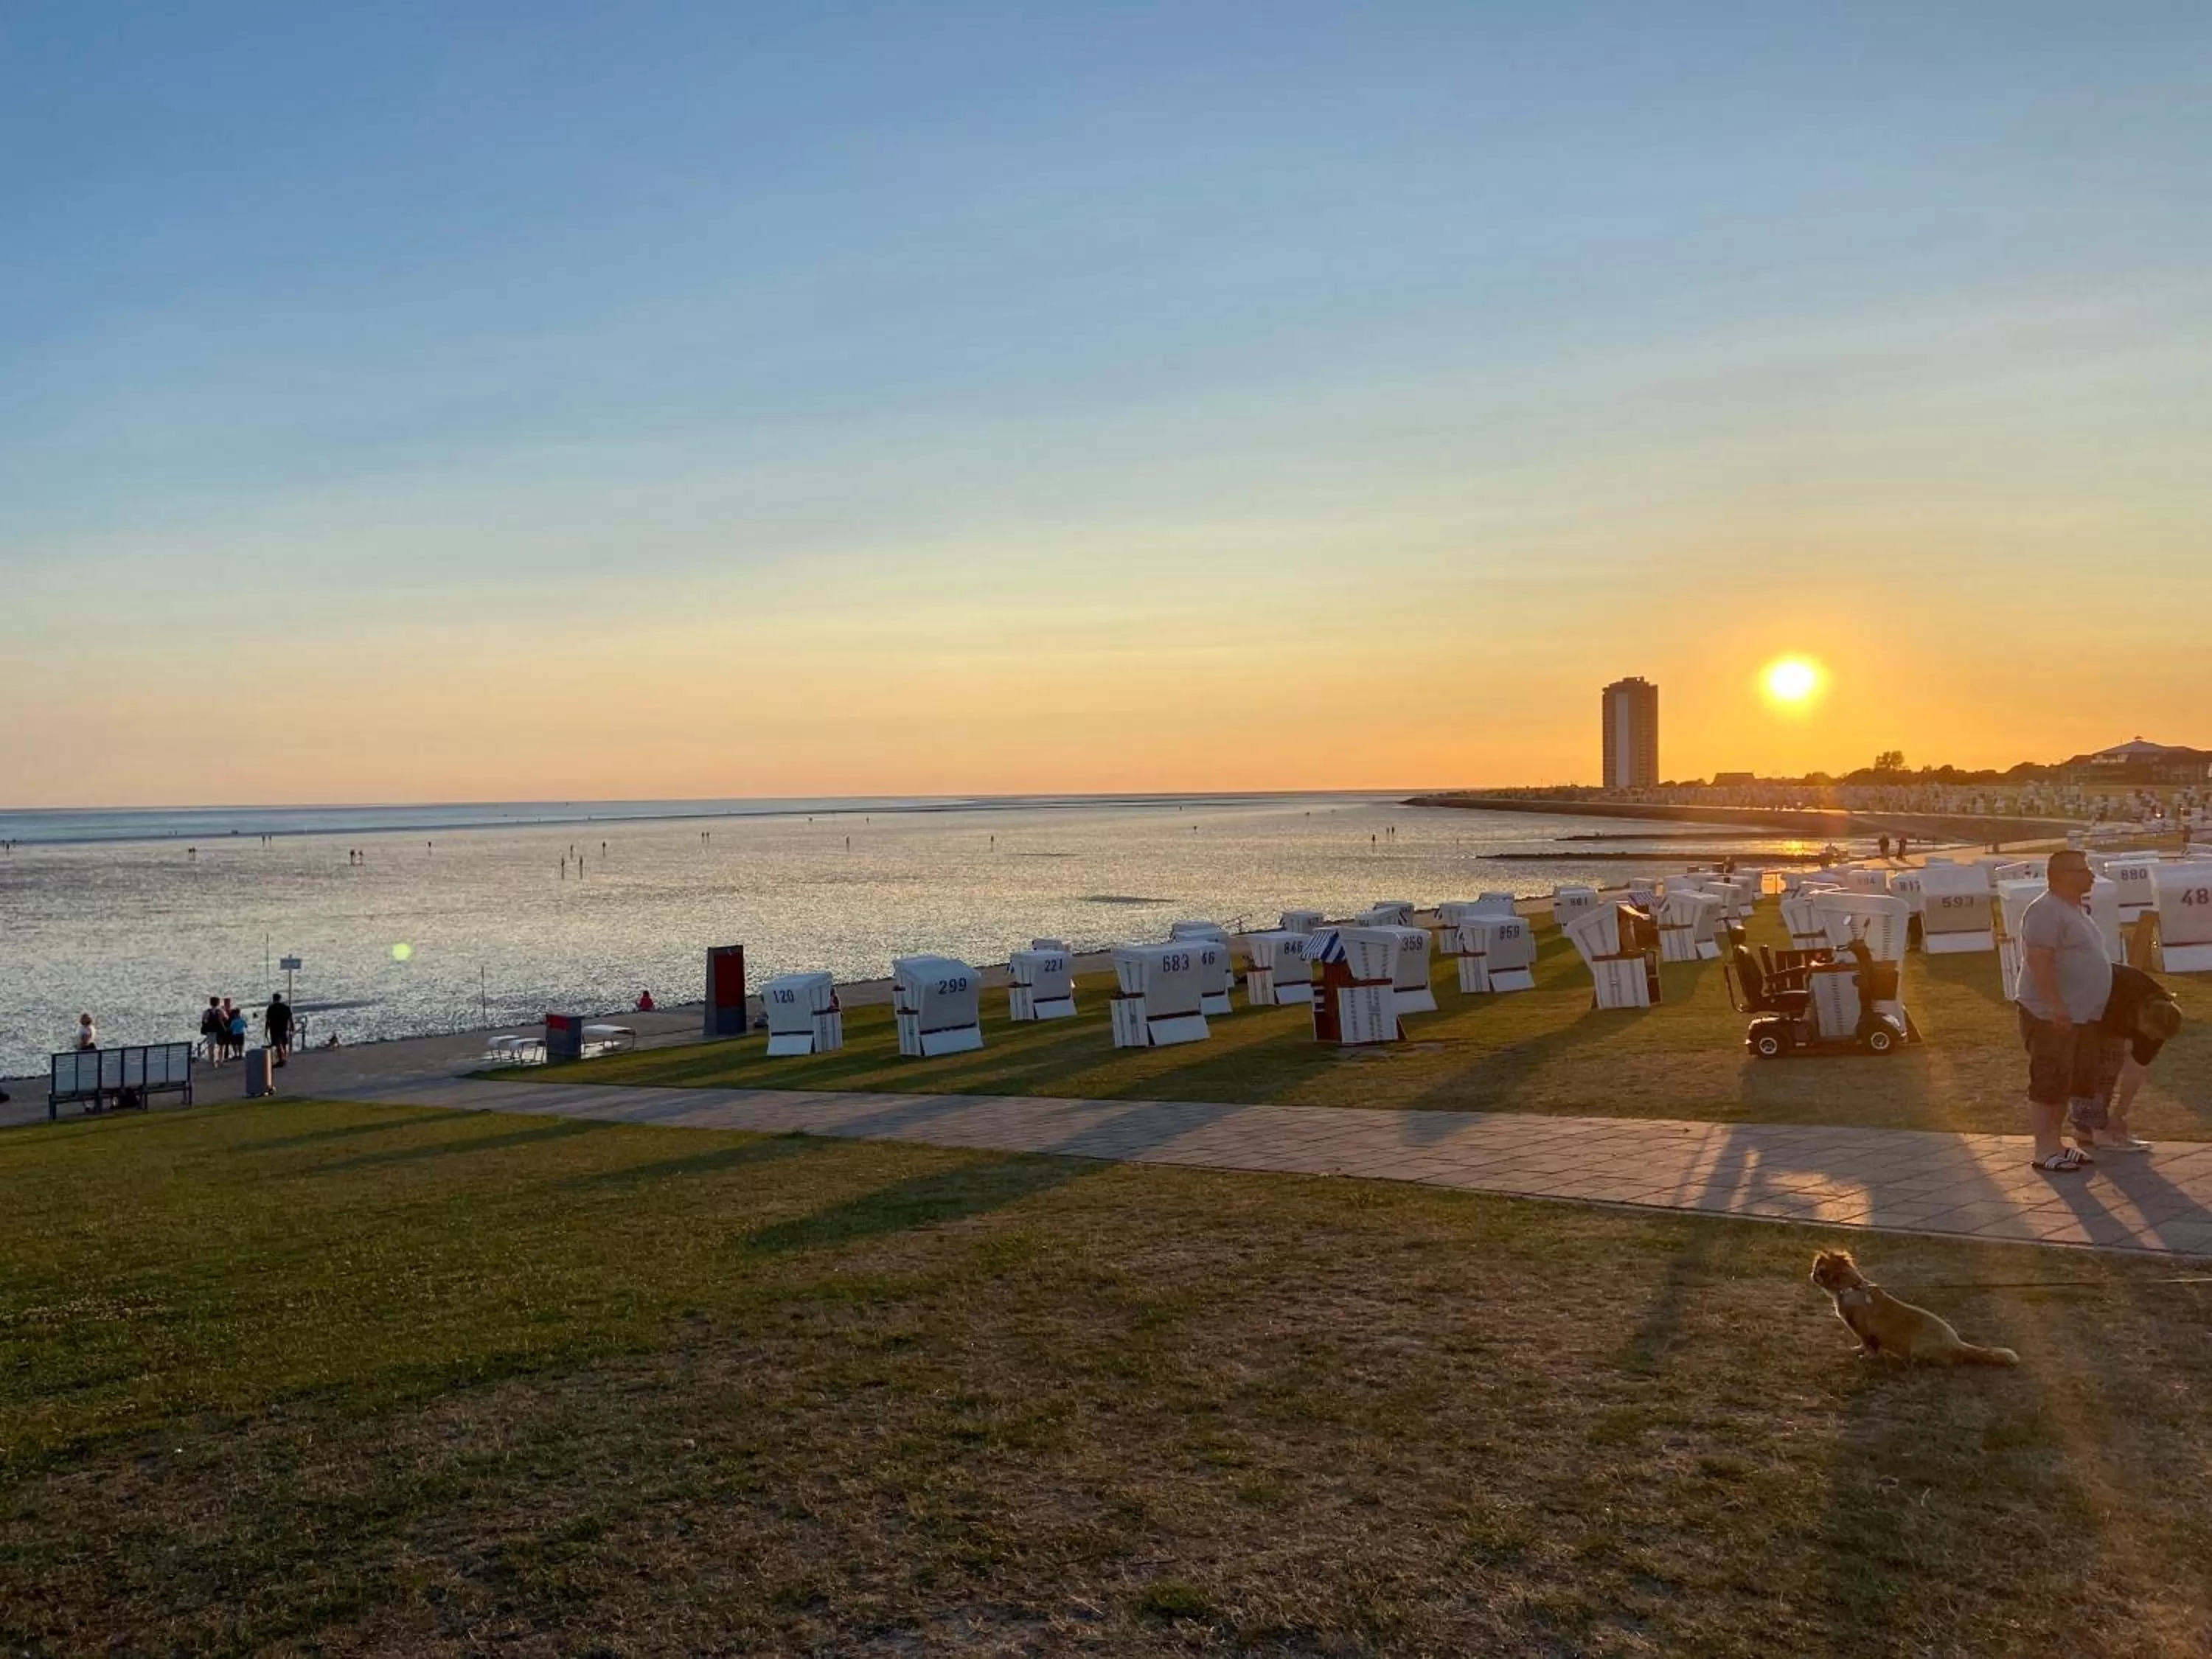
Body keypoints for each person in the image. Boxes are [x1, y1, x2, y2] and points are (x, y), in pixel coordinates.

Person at [2016, 849, 2112, 1174]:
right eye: (2082, 870)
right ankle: (2044, 1150)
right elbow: (2039, 960)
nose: (2091, 875)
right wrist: (2055, 1005)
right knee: (2049, 1079)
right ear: (2061, 876)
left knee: (2065, 1081)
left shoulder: (2073, 910)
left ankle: (2057, 1144)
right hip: (2049, 1015)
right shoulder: (2045, 910)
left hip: (2078, 1015)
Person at [2087, 964, 2183, 1155]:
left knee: (2111, 1063)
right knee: (2100, 1066)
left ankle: (2101, 1127)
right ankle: (2093, 1130)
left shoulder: (2160, 1022)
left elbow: (2136, 1070)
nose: (2152, 1038)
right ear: (2143, 1017)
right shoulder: (2121, 994)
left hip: (2111, 1012)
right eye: (2151, 1033)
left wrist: (2119, 1114)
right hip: (2085, 995)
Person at [264, 992, 293, 1068]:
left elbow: (268, 1020)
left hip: (274, 1028)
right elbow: (290, 1018)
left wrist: (266, 1030)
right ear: (280, 999)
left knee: (277, 1045)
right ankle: (284, 1059)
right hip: (284, 1027)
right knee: (284, 1044)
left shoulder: (271, 1008)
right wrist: (292, 1026)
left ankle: (281, 1060)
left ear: (273, 999)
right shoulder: (285, 1007)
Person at [199, 995, 225, 1060]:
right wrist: (225, 1028)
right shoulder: (220, 1011)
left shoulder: (207, 1011)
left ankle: (211, 1059)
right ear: (218, 1003)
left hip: (210, 1030)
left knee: (211, 1046)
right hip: (219, 1030)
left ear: (210, 1003)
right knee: (221, 1046)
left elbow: (204, 1020)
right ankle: (220, 1059)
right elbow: (222, 1020)